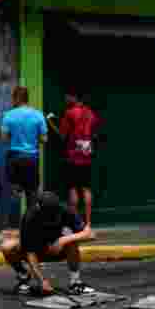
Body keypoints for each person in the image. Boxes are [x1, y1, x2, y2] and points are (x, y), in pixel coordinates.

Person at [0, 191, 97, 296]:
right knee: (7, 246)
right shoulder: (29, 217)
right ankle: (24, 277)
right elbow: (30, 253)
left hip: (55, 249)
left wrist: (63, 240)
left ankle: (75, 283)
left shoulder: (65, 210)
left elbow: (91, 234)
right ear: (39, 208)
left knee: (72, 241)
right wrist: (42, 280)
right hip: (37, 251)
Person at [46, 90, 101, 227]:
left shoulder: (69, 113)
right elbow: (95, 134)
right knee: (86, 189)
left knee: (73, 189)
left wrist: (50, 122)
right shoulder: (90, 113)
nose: (65, 99)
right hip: (87, 156)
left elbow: (62, 135)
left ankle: (75, 223)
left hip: (73, 156)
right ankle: (88, 223)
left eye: (67, 96)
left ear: (73, 97)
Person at [0, 86, 47, 213]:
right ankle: (31, 224)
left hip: (15, 158)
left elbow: (4, 138)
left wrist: (15, 136)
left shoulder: (8, 115)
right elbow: (44, 139)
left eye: (12, 98)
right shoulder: (38, 115)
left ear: (17, 98)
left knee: (13, 183)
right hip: (32, 158)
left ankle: (16, 187)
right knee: (32, 193)